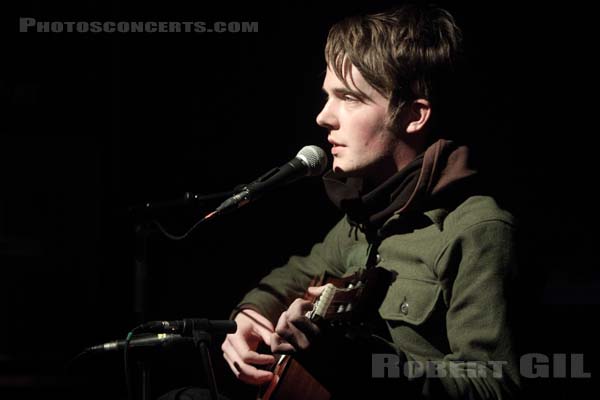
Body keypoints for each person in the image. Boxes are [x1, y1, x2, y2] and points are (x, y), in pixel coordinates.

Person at [221, 3, 520, 399]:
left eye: (348, 98)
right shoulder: (367, 215)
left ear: (414, 115)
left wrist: (354, 360)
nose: (323, 117)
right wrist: (250, 315)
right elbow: (297, 272)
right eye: (327, 96)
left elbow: (492, 384)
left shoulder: (477, 230)